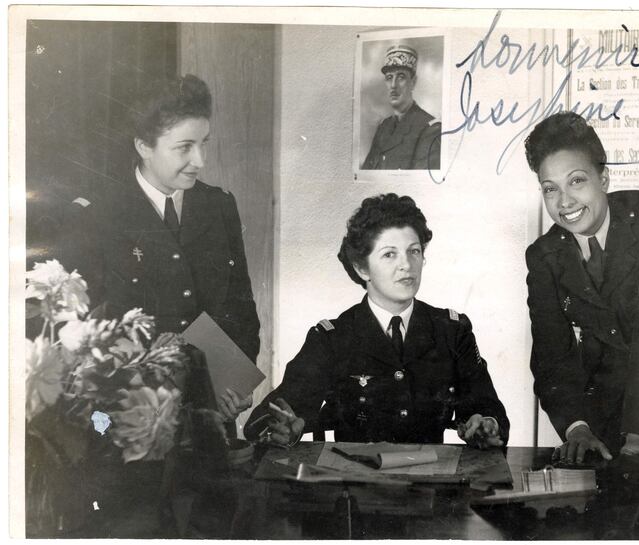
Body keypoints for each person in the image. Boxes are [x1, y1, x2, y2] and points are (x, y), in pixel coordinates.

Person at [59, 74, 260, 423]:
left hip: (209, 414)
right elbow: (78, 330)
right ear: (144, 146)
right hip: (130, 415)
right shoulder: (98, 214)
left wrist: (237, 384)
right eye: (184, 147)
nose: (200, 160)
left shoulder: (219, 206)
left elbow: (240, 306)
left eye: (204, 143)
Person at [245, 194, 508, 448]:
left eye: (414, 251)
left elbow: (487, 406)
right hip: (355, 476)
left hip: (430, 475)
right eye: (389, 254)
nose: (407, 265)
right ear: (362, 268)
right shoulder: (332, 339)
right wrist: (284, 428)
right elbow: (268, 418)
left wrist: (486, 424)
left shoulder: (451, 331)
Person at [524, 112, 639, 463]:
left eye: (576, 181)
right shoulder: (543, 255)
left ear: (604, 178)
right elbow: (551, 353)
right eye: (550, 188)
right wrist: (577, 427)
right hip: (604, 410)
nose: (564, 202)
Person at [362, 45, 441, 170]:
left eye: (401, 77)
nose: (393, 85)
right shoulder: (383, 127)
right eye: (389, 78)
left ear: (413, 82)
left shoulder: (430, 129)